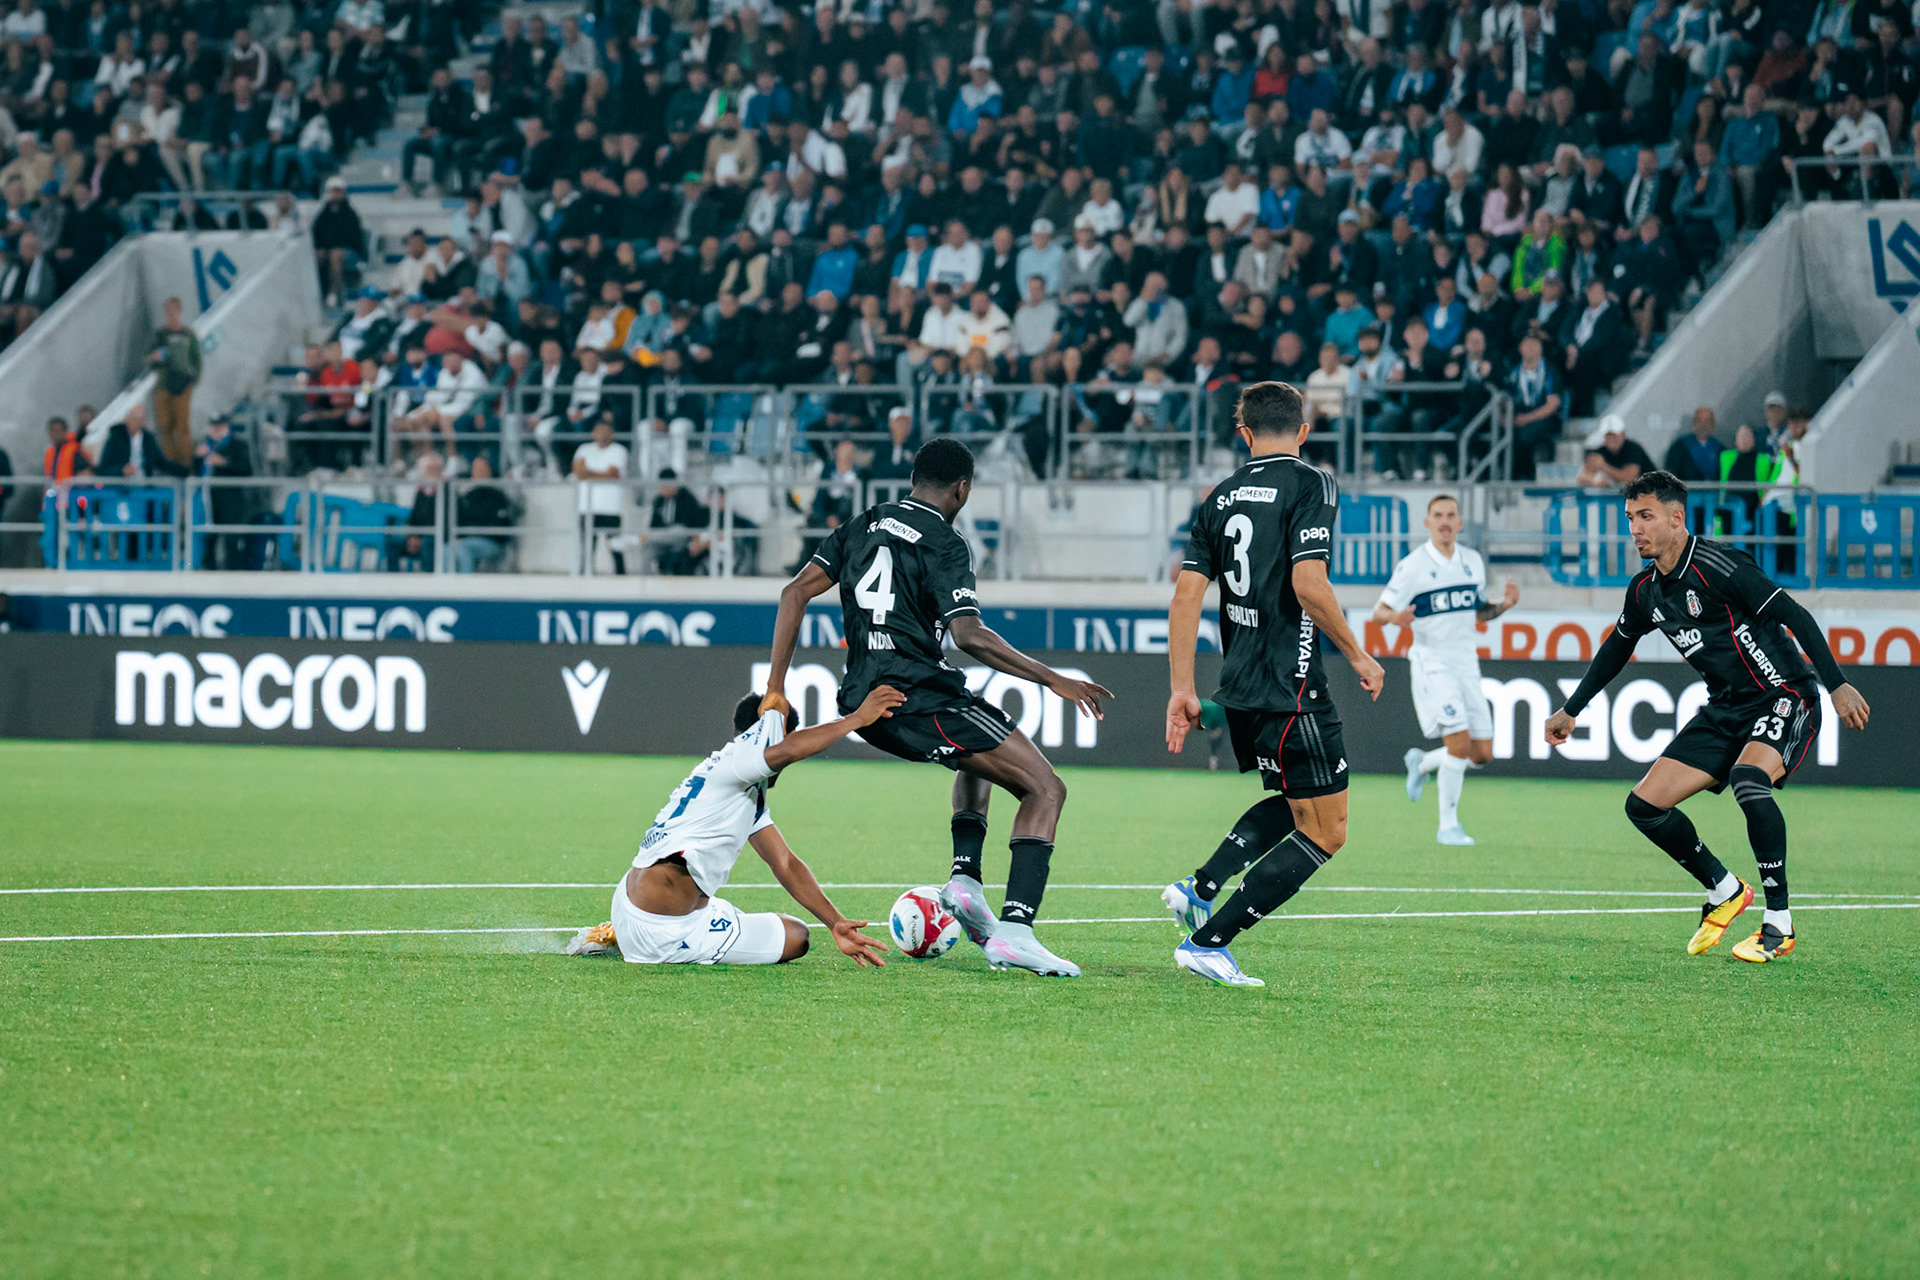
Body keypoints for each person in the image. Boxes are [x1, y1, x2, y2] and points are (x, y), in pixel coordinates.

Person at [762, 437, 1112, 978]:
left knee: (982, 740)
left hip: (863, 703)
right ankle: (1016, 933)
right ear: (962, 489)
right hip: (919, 699)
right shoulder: (945, 541)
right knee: (1046, 789)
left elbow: (794, 592)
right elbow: (968, 634)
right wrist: (1052, 679)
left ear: (913, 479)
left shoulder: (862, 524)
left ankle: (965, 881)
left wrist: (775, 688)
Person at [1545, 471, 1870, 963]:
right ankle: (1724, 889)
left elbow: (1794, 615)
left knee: (1749, 780)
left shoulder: (1719, 565)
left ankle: (1779, 923)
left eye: (1646, 516)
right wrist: (1571, 709)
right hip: (1725, 709)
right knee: (1644, 806)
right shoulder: (1645, 590)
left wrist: (1837, 684)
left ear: (1677, 518)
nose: (1635, 528)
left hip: (1784, 694)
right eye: (1630, 518)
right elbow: (1617, 647)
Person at [1161, 382, 1386, 987]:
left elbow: (1185, 597)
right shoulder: (1312, 483)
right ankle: (1208, 942)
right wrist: (1359, 655)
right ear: (1304, 430)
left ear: (1245, 434)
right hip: (1293, 690)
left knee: (1296, 801)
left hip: (1240, 686)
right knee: (1327, 830)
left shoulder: (1219, 496)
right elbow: (1309, 584)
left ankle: (1202, 886)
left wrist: (1182, 688)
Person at [564, 686, 904, 968]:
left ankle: (617, 931)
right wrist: (857, 719)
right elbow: (789, 750)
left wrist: (835, 922)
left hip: (633, 903)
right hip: (662, 931)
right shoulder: (739, 762)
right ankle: (627, 936)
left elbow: (785, 863)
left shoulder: (739, 783)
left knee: (745, 915)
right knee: (797, 937)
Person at [1375, 494, 1519, 845]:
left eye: (1450, 515)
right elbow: (1379, 612)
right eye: (1438, 515)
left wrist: (1504, 605)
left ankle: (1422, 763)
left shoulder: (1472, 561)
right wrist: (1396, 617)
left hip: (1466, 662)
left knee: (1481, 754)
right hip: (1433, 663)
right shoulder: (1413, 565)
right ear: (1427, 522)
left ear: (1459, 522)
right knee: (1458, 744)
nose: (1444, 521)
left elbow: (1479, 611)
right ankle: (1447, 827)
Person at [148, 296, 202, 469]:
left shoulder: (188, 334)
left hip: (183, 384)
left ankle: (185, 464)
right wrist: (154, 358)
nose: (171, 314)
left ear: (179, 312)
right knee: (165, 426)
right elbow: (149, 358)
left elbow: (196, 359)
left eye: (174, 311)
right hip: (163, 384)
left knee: (182, 426)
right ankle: (170, 464)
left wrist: (192, 381)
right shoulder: (160, 335)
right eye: (168, 311)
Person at [571, 414, 628, 574]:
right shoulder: (584, 449)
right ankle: (586, 577)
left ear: (612, 434)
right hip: (587, 507)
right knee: (587, 548)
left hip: (611, 508)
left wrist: (589, 473)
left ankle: (621, 577)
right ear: (593, 433)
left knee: (616, 547)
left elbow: (613, 474)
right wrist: (601, 474)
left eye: (605, 431)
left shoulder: (619, 450)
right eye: (599, 431)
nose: (602, 434)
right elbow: (579, 473)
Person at [1574, 415, 1656, 489]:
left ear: (1623, 435)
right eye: (1608, 435)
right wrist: (1596, 480)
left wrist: (1603, 466)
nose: (1611, 439)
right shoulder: (1601, 451)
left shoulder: (1633, 449)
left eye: (1614, 435)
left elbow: (1629, 478)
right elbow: (1581, 477)